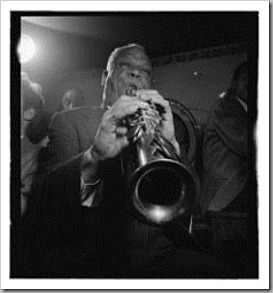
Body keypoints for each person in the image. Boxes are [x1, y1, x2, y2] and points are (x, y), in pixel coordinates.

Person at [27, 44, 230, 278]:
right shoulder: (69, 121)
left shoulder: (159, 128)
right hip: (100, 256)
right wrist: (94, 158)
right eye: (126, 66)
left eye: (144, 71)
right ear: (105, 78)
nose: (136, 73)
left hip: (163, 253)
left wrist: (172, 144)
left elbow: (190, 202)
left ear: (150, 83)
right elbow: (47, 197)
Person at [198, 62, 251, 276]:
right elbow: (249, 143)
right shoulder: (226, 106)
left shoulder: (242, 108)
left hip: (234, 193)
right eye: (246, 79)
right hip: (224, 198)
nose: (251, 83)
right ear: (234, 83)